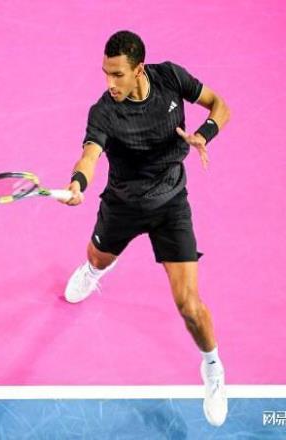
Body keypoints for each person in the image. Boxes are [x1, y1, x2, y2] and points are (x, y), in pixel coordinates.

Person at [61, 30, 231, 426]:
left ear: (139, 69)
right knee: (96, 259)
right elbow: (89, 155)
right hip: (122, 204)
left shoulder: (170, 77)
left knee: (189, 306)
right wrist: (78, 182)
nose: (110, 83)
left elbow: (220, 105)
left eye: (117, 74)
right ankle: (94, 271)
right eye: (106, 73)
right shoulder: (104, 111)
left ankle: (213, 368)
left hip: (170, 204)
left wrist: (203, 135)